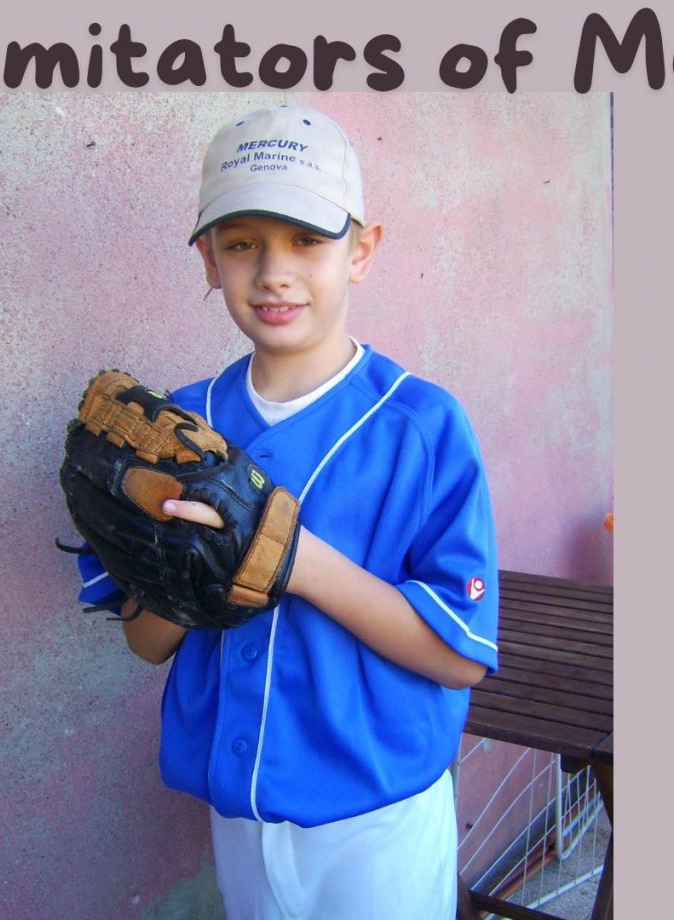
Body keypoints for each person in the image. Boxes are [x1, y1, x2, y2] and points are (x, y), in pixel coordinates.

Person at [76, 105, 499, 920]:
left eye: (308, 239)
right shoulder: (176, 426)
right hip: (237, 808)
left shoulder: (423, 424)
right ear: (208, 259)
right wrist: (177, 568)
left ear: (362, 250)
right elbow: (144, 641)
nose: (273, 271)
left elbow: (462, 658)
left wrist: (295, 561)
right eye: (242, 243)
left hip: (379, 820)